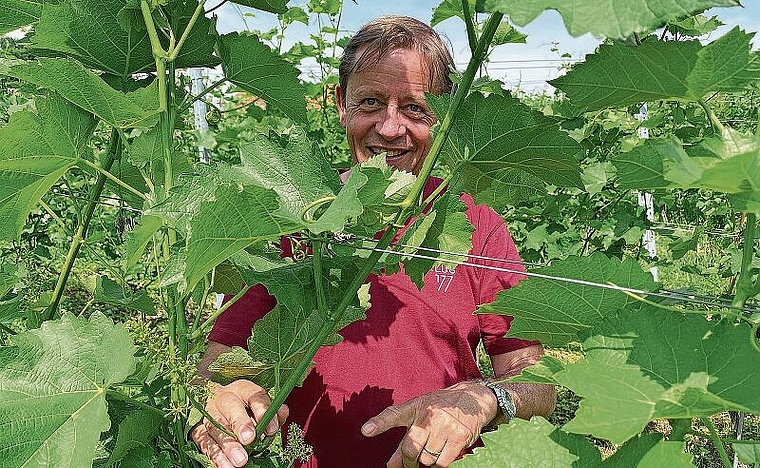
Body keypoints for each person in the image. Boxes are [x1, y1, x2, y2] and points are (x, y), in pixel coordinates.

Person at [191, 15, 556, 468]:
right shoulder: (292, 215)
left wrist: (485, 399)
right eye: (370, 102)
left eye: (414, 108)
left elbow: (540, 382)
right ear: (341, 105)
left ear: (441, 115)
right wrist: (220, 395)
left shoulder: (474, 223)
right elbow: (220, 358)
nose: (389, 128)